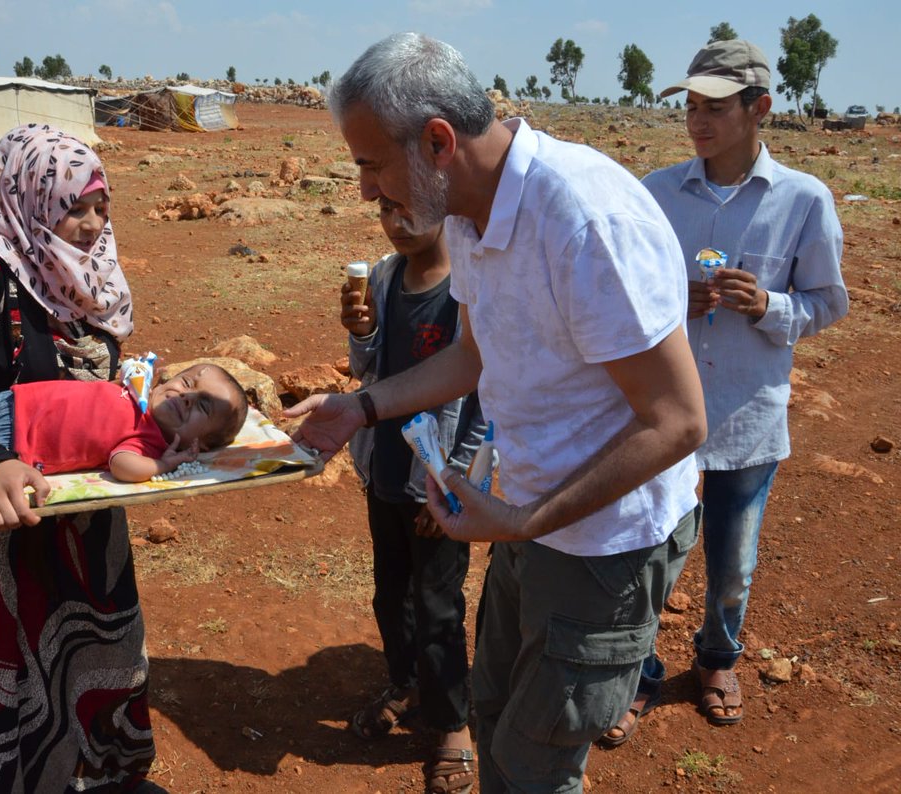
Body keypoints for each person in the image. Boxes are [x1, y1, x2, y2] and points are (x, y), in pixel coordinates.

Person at [285, 33, 707, 792]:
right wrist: (362, 405)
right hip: (527, 514)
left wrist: (525, 519)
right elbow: (473, 357)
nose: (365, 192)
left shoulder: (584, 222)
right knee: (491, 715)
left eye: (371, 164)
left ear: (438, 142)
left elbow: (678, 422)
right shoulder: (471, 216)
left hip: (602, 542)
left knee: (532, 764)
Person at [0, 123, 165, 792]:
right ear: (29, 196)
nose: (90, 222)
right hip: (4, 522)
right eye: (74, 206)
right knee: (8, 667)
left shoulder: (89, 271)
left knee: (98, 649)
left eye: (100, 205)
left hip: (83, 514)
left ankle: (101, 778)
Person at [600, 39, 849, 743]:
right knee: (647, 555)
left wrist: (767, 306)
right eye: (693, 108)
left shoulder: (803, 200)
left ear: (759, 109)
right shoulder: (654, 194)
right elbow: (621, 294)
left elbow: (830, 303)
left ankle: (716, 658)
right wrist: (672, 299)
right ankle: (638, 672)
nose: (698, 122)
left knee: (732, 563)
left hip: (746, 415)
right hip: (658, 421)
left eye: (715, 108)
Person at [342, 196, 486, 793]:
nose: (396, 223)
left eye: (411, 211)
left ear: (448, 210)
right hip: (386, 471)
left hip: (441, 484)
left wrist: (458, 484)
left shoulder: (472, 288)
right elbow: (367, 372)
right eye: (387, 212)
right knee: (390, 593)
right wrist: (363, 330)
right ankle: (404, 683)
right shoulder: (382, 275)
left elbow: (486, 399)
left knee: (439, 608)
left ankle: (453, 724)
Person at [0, 362, 248, 484]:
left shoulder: (148, 440)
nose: (185, 396)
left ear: (200, 445)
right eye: (187, 382)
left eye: (202, 406)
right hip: (14, 401)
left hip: (15, 445)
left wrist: (164, 464)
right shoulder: (141, 394)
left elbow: (122, 466)